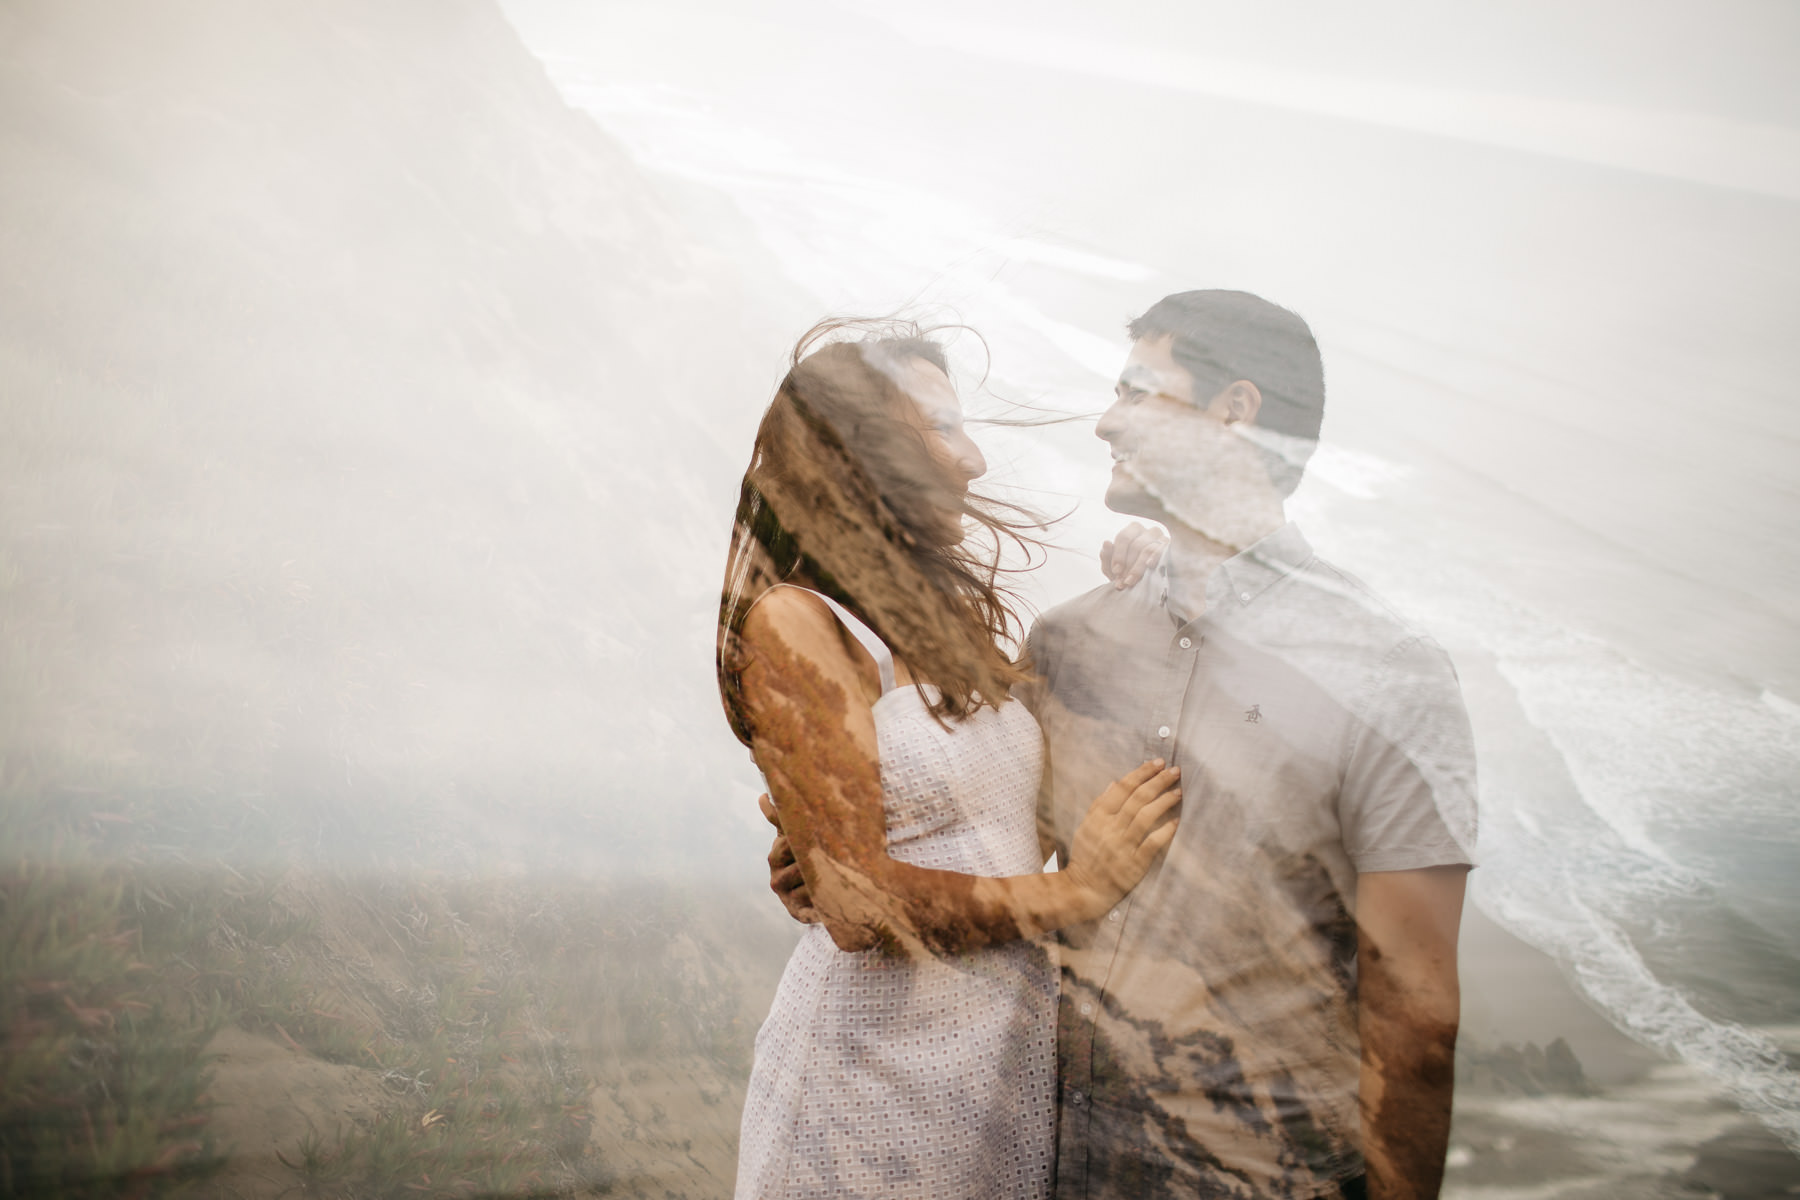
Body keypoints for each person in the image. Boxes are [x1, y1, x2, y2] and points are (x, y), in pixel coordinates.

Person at [771, 292, 1478, 1200]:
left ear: (1236, 410)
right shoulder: (1067, 644)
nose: (1104, 421)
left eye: (1138, 391)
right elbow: (972, 842)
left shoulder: (1391, 673)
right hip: (1050, 1161)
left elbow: (1417, 1019)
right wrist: (837, 851)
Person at [717, 319, 1182, 1200]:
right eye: (943, 426)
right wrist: (1077, 891)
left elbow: (1001, 812)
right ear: (853, 448)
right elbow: (856, 909)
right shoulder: (798, 624)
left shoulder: (946, 631)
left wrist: (1150, 575)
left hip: (990, 1079)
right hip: (858, 1093)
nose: (971, 460)